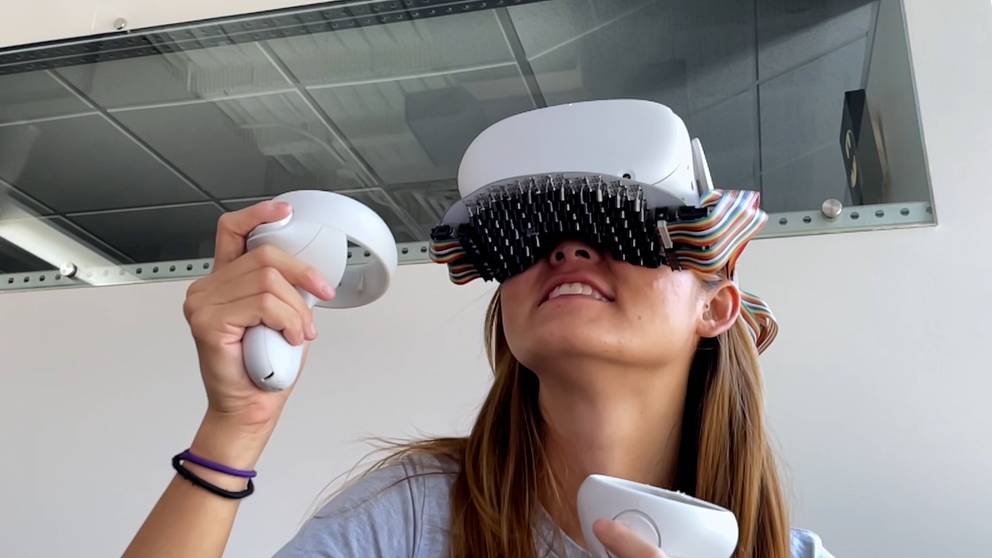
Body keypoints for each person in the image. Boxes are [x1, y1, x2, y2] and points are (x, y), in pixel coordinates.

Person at [125, 102, 832, 558]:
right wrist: (234, 428)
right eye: (527, 237)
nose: (568, 249)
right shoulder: (409, 517)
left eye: (621, 226)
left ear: (716, 308)